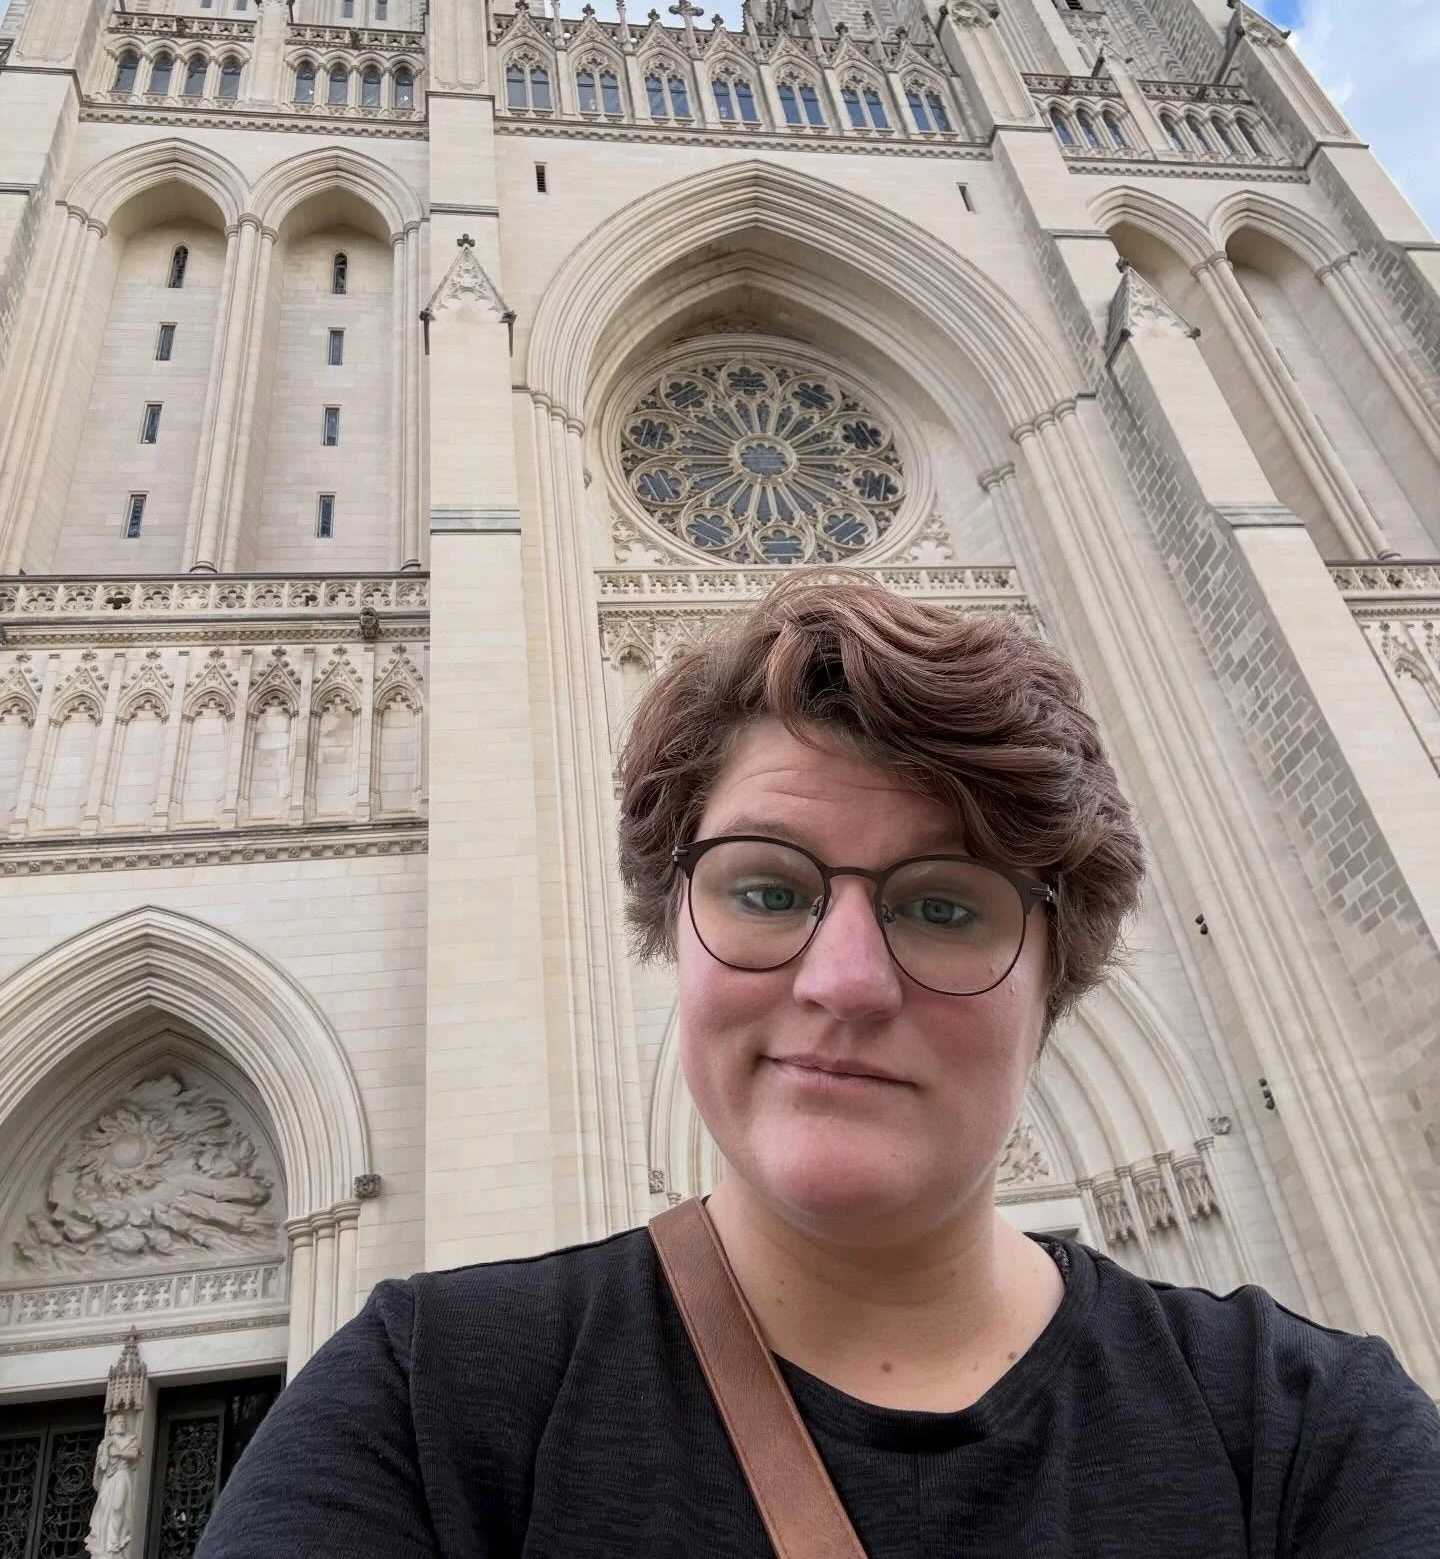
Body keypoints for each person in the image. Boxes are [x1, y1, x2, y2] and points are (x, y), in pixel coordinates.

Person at [197, 578, 1440, 1556]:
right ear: (672, 928)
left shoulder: (1309, 1436)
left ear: (1054, 973)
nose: (843, 979)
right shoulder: (426, 1412)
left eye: (946, 907)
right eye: (766, 887)